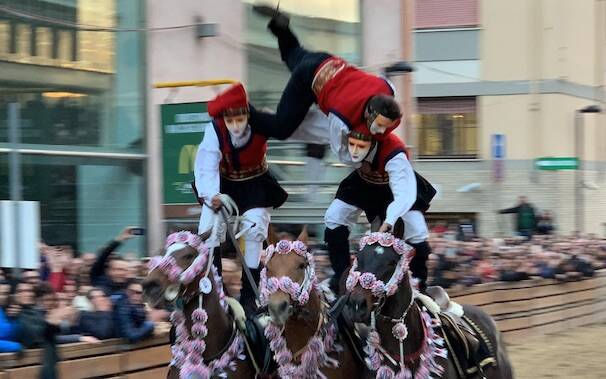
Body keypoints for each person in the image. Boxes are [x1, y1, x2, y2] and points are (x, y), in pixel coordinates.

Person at [193, 83, 288, 312]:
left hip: (255, 182)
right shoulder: (214, 130)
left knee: (255, 230)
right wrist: (212, 195)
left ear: (247, 114)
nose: (235, 126)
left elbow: (288, 126)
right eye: (230, 121)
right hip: (223, 183)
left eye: (240, 120)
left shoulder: (261, 123)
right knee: (209, 229)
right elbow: (206, 165)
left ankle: (250, 294)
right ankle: (215, 289)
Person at [249, 5, 402, 145]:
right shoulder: (342, 118)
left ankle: (280, 26)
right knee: (281, 128)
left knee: (292, 54)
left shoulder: (387, 88)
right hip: (309, 80)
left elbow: (387, 93)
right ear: (369, 113)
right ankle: (241, 111)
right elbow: (342, 150)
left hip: (327, 62)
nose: (381, 131)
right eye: (380, 126)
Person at [323, 125, 436, 292]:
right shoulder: (343, 132)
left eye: (361, 147)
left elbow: (403, 196)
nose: (354, 151)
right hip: (364, 182)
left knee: (416, 229)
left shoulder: (395, 153)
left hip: (395, 186)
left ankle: (418, 283)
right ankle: (341, 275)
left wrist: (389, 222)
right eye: (351, 144)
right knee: (334, 217)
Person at [90, 227, 137, 297]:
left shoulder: (131, 286)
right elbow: (103, 256)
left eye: (125, 270)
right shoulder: (99, 280)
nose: (122, 273)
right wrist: (119, 239)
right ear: (109, 270)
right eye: (119, 269)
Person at [114, 279, 154, 344]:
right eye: (131, 292)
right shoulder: (122, 307)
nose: (135, 295)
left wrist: (148, 314)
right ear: (125, 291)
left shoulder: (138, 307)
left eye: (139, 293)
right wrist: (150, 325)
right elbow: (131, 336)